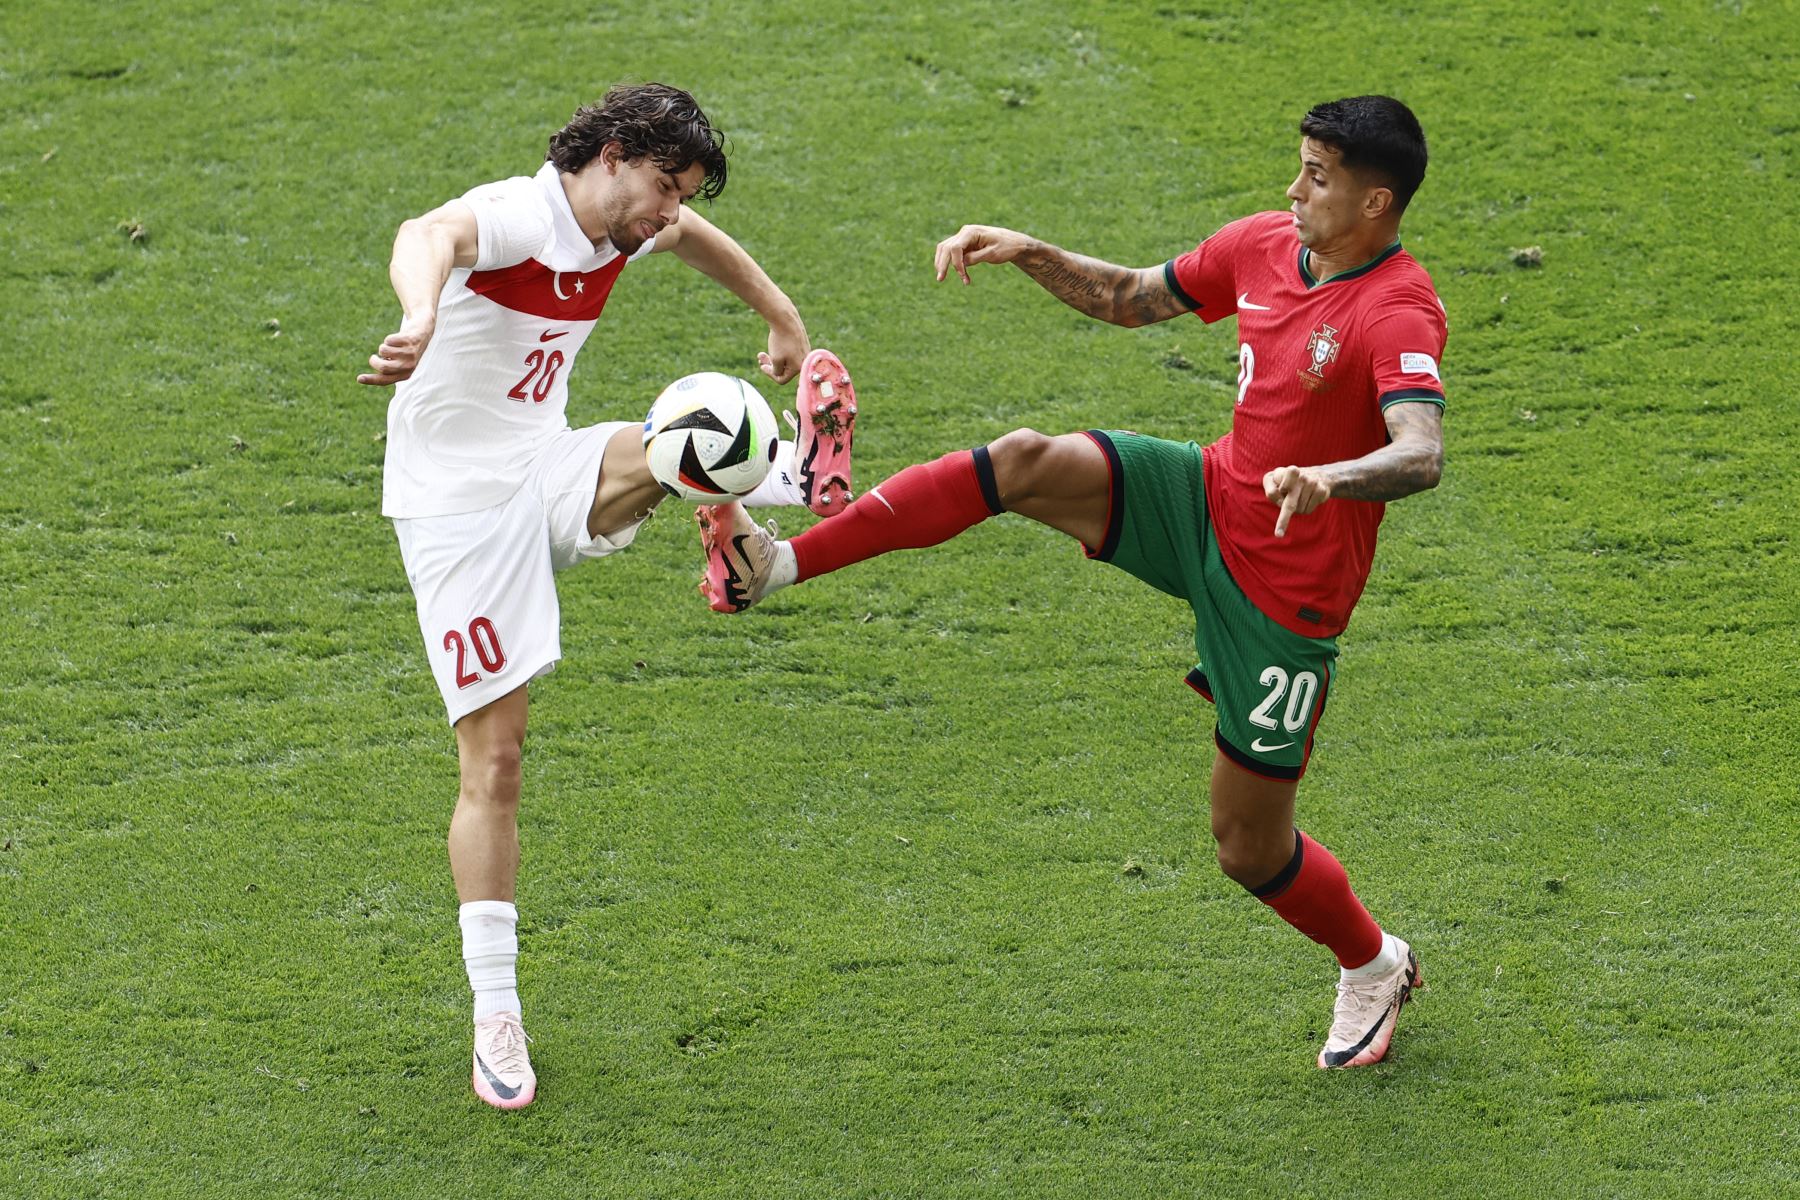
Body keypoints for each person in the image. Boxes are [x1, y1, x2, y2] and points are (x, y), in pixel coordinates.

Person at [696, 95, 1443, 1069]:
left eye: (1317, 176)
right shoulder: (1265, 245)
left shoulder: (1396, 306)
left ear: (1377, 201)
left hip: (1287, 595)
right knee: (1026, 460)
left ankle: (1374, 963)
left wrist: (1329, 478)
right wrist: (1028, 250)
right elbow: (1134, 295)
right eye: (1299, 165)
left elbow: (1420, 450)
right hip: (1207, 500)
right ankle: (780, 563)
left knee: (1248, 849)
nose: (1292, 189)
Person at [356, 82, 857, 1110]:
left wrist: (784, 318)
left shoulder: (626, 222)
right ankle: (496, 1010)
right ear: (615, 155)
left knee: (698, 418)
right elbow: (427, 231)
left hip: (546, 466)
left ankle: (770, 505)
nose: (669, 215)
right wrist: (418, 313)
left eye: (679, 197)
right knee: (496, 762)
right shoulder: (524, 213)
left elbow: (699, 242)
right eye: (665, 189)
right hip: (456, 515)